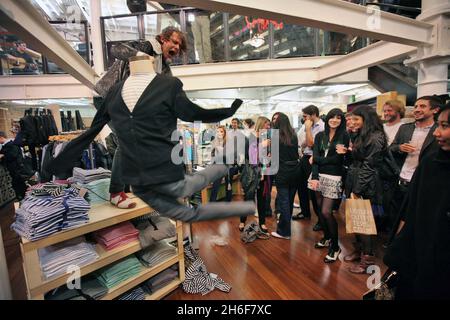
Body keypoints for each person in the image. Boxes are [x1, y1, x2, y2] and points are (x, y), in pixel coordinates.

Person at [48, 56, 254, 222]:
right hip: (139, 184)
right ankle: (244, 201)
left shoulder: (168, 85)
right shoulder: (114, 92)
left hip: (166, 174)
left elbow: (193, 113)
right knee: (188, 212)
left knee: (190, 188)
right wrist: (60, 162)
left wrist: (228, 111)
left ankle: (233, 172)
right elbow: (93, 130)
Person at [97, 27, 188, 209]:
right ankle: (116, 192)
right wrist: (140, 56)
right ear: (162, 39)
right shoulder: (146, 47)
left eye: (179, 46)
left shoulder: (164, 69)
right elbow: (116, 50)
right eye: (174, 42)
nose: (177, 48)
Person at [383, 101, 450, 299]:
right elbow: (411, 212)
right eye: (439, 125)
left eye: (445, 126)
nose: (437, 133)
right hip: (422, 256)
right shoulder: (431, 162)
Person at [386, 96, 440, 237]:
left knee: (414, 217)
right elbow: (391, 148)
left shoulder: (437, 132)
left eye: (422, 106)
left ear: (435, 110)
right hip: (400, 179)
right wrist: (400, 147)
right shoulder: (405, 128)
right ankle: (393, 242)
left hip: (421, 182)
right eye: (416, 106)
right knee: (395, 214)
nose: (417, 110)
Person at [344, 106, 388, 274]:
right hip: (355, 178)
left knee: (363, 223)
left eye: (356, 119)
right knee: (356, 220)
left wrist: (357, 189)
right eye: (351, 119)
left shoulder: (376, 137)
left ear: (366, 119)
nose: (352, 122)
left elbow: (369, 166)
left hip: (366, 183)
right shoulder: (361, 134)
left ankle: (367, 261)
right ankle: (360, 250)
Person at [308, 108, 350, 262]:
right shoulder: (320, 135)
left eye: (339, 118)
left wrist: (317, 160)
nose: (335, 120)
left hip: (334, 176)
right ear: (328, 119)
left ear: (341, 120)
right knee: (319, 210)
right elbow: (315, 156)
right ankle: (326, 238)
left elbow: (337, 161)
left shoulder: (344, 135)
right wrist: (314, 176)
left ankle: (335, 246)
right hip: (318, 176)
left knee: (327, 212)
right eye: (333, 117)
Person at [292, 105, 323, 232]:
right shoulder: (308, 126)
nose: (303, 119)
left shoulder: (321, 126)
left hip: (313, 160)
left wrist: (308, 129)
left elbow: (311, 143)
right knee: (301, 186)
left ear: (313, 114)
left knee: (313, 191)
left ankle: (321, 220)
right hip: (305, 157)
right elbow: (306, 142)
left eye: (305, 116)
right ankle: (305, 212)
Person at [271, 113, 301, 240]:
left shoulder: (274, 136)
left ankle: (284, 232)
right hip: (295, 170)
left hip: (283, 170)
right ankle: (284, 227)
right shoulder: (293, 135)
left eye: (275, 120)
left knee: (284, 201)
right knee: (288, 200)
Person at [239, 117, 272, 234]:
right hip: (252, 173)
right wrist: (261, 146)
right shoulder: (251, 137)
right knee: (248, 198)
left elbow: (267, 156)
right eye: (267, 125)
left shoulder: (266, 138)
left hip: (263, 172)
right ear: (261, 124)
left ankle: (262, 222)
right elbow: (251, 157)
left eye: (269, 125)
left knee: (262, 198)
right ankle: (242, 220)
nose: (268, 127)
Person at [0, 131, 34, 200]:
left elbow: (13, 155)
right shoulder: (7, 145)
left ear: (1, 137)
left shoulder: (12, 144)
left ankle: (25, 200)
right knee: (19, 186)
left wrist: (3, 156)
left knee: (20, 187)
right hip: (16, 171)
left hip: (17, 170)